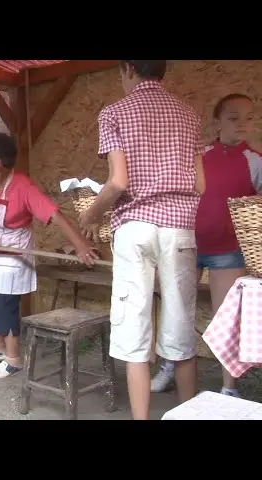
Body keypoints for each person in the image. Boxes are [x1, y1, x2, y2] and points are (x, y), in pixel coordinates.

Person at [79, 60, 206, 420]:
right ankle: (187, 414)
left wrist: (92, 214)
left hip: (135, 228)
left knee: (134, 330)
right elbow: (200, 186)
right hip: (179, 227)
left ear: (129, 69)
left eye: (121, 73)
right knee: (180, 324)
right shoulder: (189, 114)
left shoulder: (115, 112)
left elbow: (118, 182)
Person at [151, 93, 262, 397]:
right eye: (233, 117)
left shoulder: (255, 160)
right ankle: (170, 368)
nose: (242, 123)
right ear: (218, 121)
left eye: (249, 117)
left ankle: (229, 388)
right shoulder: (199, 154)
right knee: (175, 311)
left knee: (226, 318)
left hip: (229, 251)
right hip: (189, 244)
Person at [0, 132, 99, 379]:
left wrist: (81, 246)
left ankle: (13, 359)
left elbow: (56, 216)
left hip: (14, 254)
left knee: (4, 306)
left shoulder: (22, 187)